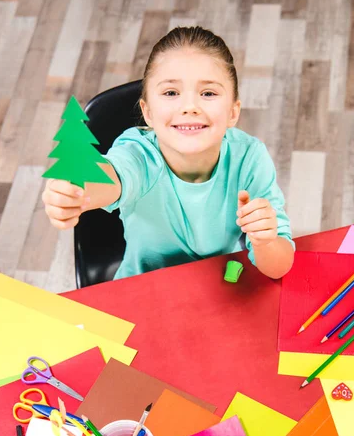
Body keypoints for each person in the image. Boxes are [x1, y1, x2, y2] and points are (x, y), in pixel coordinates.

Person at [42, 26, 294, 280]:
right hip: (143, 291)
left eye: (208, 93)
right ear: (148, 113)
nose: (189, 107)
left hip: (220, 289)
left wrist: (265, 241)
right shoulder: (140, 154)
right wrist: (73, 192)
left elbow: (278, 267)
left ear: (233, 112)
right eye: (171, 93)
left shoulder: (249, 158)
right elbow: (111, 176)